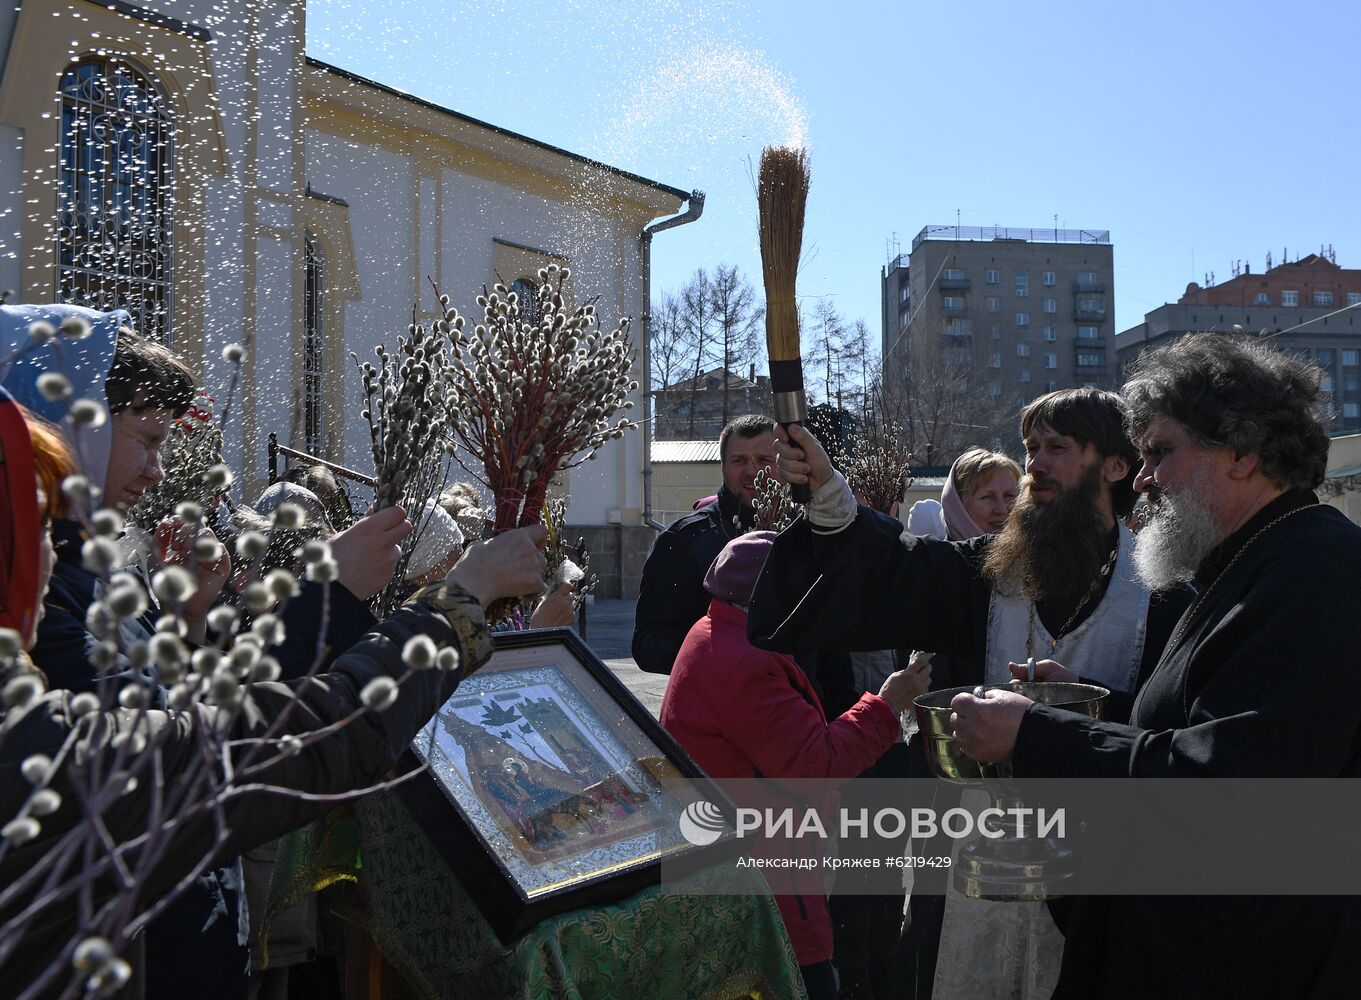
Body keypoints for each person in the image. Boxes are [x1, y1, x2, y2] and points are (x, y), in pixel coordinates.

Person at [0, 388, 551, 999]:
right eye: (42, 531)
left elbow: (180, 715)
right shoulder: (36, 737)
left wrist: (184, 621)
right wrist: (452, 606)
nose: (51, 557)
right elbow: (296, 735)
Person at [948, 333, 1361, 999]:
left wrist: (1036, 735)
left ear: (1242, 451)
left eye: (1160, 453)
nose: (1141, 481)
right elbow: (1218, 734)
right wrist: (1089, 708)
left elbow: (1232, 791)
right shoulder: (1252, 562)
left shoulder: (1318, 572)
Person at [748, 388, 1192, 1000]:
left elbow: (1180, 735)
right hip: (976, 854)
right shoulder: (993, 572)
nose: (1034, 465)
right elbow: (897, 571)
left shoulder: (1164, 591)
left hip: (1101, 871)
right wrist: (829, 491)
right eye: (1031, 448)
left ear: (1116, 465)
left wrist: (1084, 712)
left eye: (1056, 449)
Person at [660, 531, 930, 1000]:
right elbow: (817, 762)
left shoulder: (715, 631)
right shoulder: (747, 664)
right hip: (771, 874)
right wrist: (887, 705)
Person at [633, 414, 780, 674]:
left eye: (764, 460)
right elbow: (649, 644)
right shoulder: (683, 540)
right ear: (722, 465)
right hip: (716, 704)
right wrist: (728, 660)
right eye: (739, 460)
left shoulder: (804, 533)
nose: (752, 472)